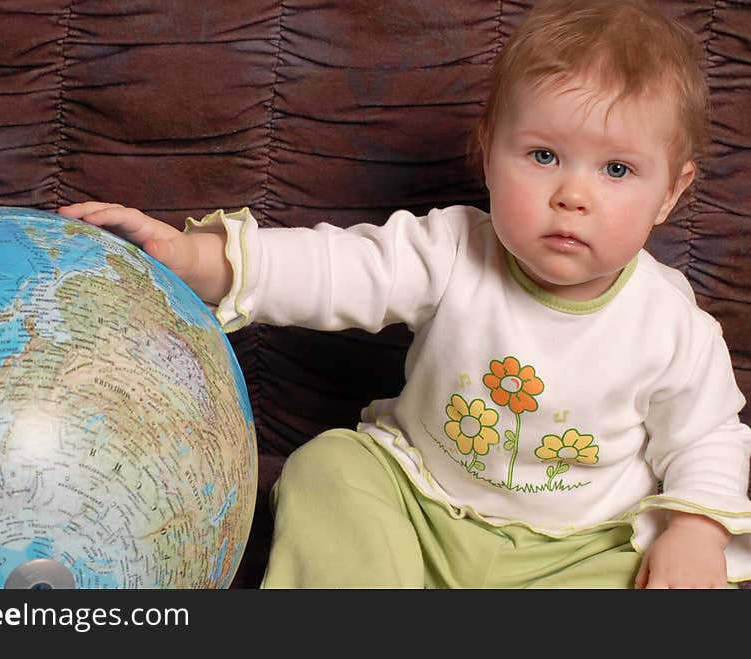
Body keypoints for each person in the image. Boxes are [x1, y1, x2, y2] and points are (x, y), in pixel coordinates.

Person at [59, 0, 751, 588]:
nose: (572, 194)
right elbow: (335, 269)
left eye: (618, 169)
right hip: (420, 506)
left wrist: (695, 526)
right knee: (329, 467)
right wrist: (195, 257)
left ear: (671, 192)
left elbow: (711, 436)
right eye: (543, 156)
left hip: (576, 550)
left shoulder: (671, 325)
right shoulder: (450, 249)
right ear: (487, 153)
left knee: (677, 576)